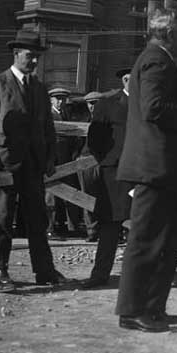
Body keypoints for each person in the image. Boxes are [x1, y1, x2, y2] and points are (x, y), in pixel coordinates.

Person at [114, 7, 177, 333]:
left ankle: (153, 308)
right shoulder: (156, 60)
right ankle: (132, 311)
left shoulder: (164, 61)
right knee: (146, 241)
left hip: (165, 169)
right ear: (169, 35)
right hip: (155, 167)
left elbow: (168, 96)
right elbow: (154, 107)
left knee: (168, 240)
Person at [0, 29, 70, 290]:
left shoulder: (40, 88)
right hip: (4, 162)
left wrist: (50, 158)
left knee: (38, 218)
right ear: (16, 53)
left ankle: (44, 271)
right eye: (30, 56)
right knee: (2, 218)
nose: (34, 62)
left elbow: (47, 128)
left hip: (34, 165)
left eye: (37, 58)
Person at [79, 68, 133, 289]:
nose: (131, 81)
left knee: (142, 225)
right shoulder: (108, 104)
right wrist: (108, 161)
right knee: (110, 226)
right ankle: (100, 275)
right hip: (114, 174)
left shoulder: (149, 104)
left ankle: (138, 278)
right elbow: (95, 139)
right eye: (127, 78)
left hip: (142, 174)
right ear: (123, 80)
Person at [46, 87, 78, 239]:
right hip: (52, 160)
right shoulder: (48, 115)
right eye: (57, 99)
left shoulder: (65, 115)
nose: (60, 102)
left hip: (64, 160)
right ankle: (49, 228)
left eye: (63, 99)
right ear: (51, 100)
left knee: (63, 194)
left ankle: (60, 225)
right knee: (50, 193)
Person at [79, 91, 104, 242]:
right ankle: (92, 230)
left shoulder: (108, 119)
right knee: (86, 196)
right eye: (90, 103)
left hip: (103, 162)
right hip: (84, 161)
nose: (92, 107)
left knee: (106, 197)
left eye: (95, 103)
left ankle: (107, 230)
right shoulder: (83, 120)